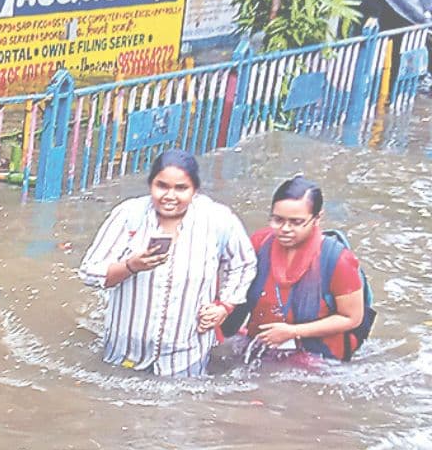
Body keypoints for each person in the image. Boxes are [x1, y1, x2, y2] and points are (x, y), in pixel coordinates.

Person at [78, 149, 257, 377]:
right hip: (125, 351)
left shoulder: (217, 221)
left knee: (179, 409)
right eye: (161, 186)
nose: (170, 196)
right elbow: (89, 272)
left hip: (185, 355)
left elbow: (243, 264)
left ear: (195, 190)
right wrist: (131, 266)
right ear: (151, 184)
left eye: (181, 188)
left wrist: (225, 307)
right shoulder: (129, 216)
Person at [221, 176, 368, 361]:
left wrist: (293, 332)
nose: (285, 229)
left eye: (296, 222)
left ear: (317, 218)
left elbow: (352, 318)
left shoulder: (339, 260)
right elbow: (237, 286)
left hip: (317, 358)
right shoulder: (260, 243)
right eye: (277, 220)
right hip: (261, 344)